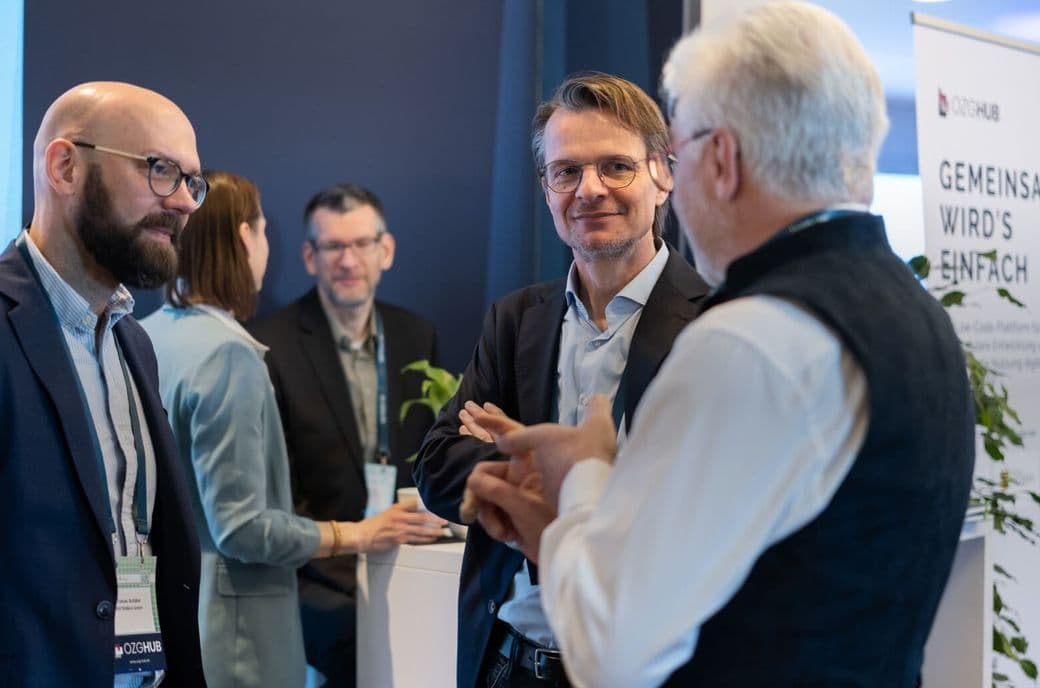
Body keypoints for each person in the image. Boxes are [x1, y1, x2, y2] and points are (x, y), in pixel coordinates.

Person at [464, 3, 977, 687]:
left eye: (677, 150)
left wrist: (587, 471)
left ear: (723, 160)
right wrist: (559, 528)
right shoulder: (911, 312)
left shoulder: (749, 340)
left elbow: (611, 651)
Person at [413, 72, 710, 687]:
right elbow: (438, 468)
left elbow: (705, 501)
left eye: (615, 168)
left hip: (645, 666)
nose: (589, 189)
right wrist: (550, 467)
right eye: (567, 172)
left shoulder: (716, 325)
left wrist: (523, 459)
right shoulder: (516, 319)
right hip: (512, 660)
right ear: (546, 189)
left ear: (663, 175)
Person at [142, 171, 445, 688]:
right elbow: (241, 528)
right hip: (236, 632)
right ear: (243, 238)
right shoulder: (231, 353)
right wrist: (359, 534)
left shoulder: (147, 333)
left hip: (175, 615)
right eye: (262, 231)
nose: (347, 261)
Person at [0, 81, 206, 687]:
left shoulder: (132, 342)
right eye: (161, 170)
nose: (187, 203)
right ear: (64, 166)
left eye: (193, 181)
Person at [250, 183, 441, 686]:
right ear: (310, 257)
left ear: (387, 251)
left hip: (407, 562)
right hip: (317, 578)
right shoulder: (270, 347)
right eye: (333, 247)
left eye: (361, 244)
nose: (348, 260)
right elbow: (276, 496)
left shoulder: (417, 336)